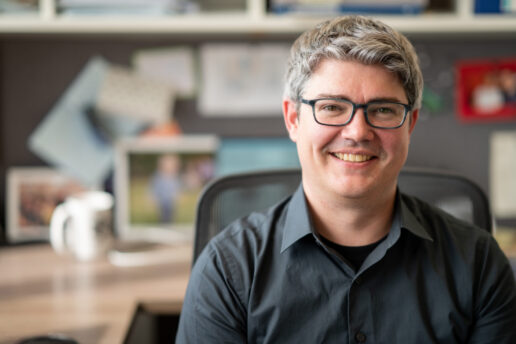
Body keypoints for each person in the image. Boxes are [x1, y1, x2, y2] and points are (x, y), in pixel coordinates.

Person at [176, 15, 516, 343]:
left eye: (383, 110)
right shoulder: (228, 269)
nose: (357, 132)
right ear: (293, 119)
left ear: (410, 124)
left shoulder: (478, 264)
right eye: (332, 107)